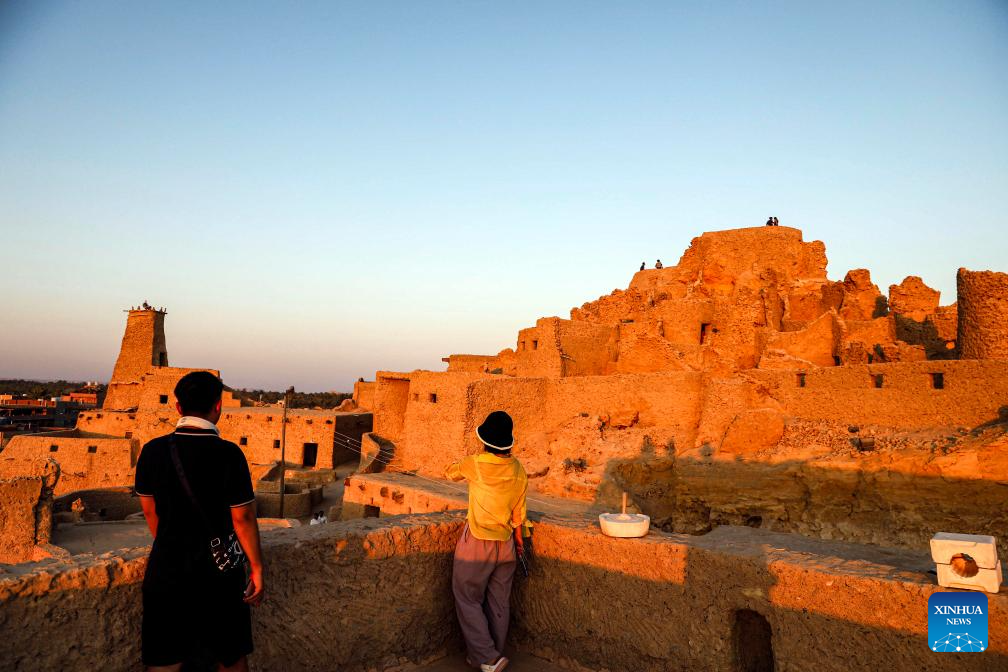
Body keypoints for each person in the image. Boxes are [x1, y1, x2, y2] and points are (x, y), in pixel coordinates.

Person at [135, 371, 265, 672]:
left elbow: (150, 512)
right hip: (219, 575)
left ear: (178, 407)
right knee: (230, 657)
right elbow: (243, 518)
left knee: (165, 659)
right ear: (218, 406)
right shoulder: (229, 454)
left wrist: (170, 544)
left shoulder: (152, 451)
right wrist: (257, 568)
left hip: (167, 569)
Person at [445, 411, 530, 672]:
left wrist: (465, 463)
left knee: (467, 597)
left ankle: (487, 657)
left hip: (478, 541)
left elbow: (450, 473)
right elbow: (519, 514)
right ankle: (490, 653)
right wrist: (519, 541)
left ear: (484, 440)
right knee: (499, 602)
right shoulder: (519, 469)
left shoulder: (476, 463)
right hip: (506, 543)